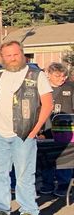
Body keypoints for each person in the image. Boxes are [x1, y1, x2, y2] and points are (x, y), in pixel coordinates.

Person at [0, 41, 52, 215]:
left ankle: (29, 213)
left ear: (22, 54)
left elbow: (47, 105)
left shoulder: (36, 75)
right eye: (8, 55)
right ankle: (2, 211)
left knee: (24, 176)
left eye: (15, 54)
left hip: (24, 134)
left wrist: (35, 131)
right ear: (2, 57)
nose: (12, 58)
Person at [39, 62, 74, 195]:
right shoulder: (42, 89)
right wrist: (39, 130)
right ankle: (47, 184)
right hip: (46, 129)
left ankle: (63, 185)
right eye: (58, 76)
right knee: (46, 158)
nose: (62, 79)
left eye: (64, 76)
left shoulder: (70, 88)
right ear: (48, 75)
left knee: (64, 158)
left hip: (66, 132)